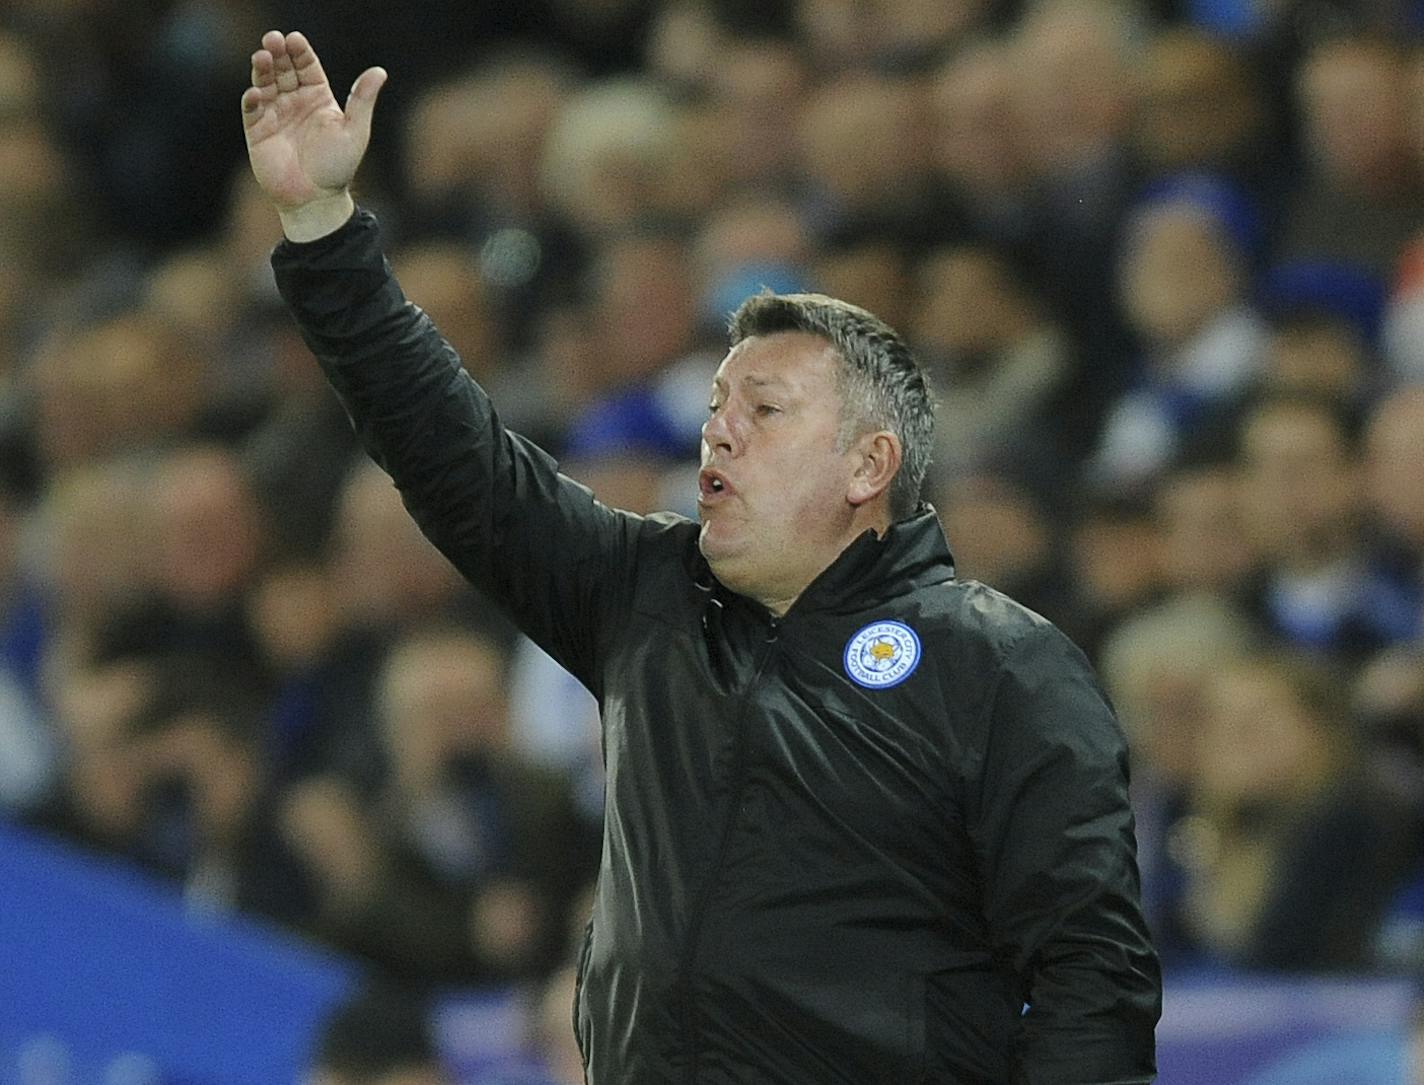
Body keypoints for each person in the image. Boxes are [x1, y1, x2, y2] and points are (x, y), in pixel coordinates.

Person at [242, 30, 1160, 1083]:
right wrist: (322, 227)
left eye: (762, 410)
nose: (715, 433)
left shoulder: (997, 663)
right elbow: (455, 458)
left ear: (868, 463)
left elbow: (1092, 974)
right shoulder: (644, 600)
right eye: (717, 406)